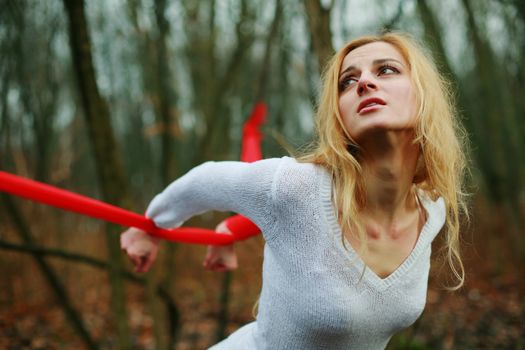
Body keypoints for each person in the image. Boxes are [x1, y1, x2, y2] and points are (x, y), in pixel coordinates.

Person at [121, 32, 469, 349]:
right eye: (347, 81)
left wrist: (225, 233)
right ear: (339, 117)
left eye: (386, 70)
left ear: (422, 94)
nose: (364, 81)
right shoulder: (296, 187)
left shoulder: (432, 211)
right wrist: (151, 226)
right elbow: (207, 180)